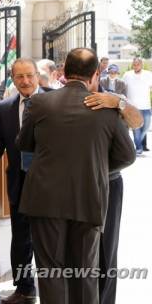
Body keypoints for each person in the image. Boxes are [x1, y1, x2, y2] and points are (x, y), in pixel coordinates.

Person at [18, 48, 136, 304]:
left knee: (50, 272)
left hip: (45, 200)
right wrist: (93, 167)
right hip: (88, 199)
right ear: (95, 75)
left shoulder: (39, 103)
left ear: (64, 72)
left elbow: (24, 143)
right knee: (85, 273)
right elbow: (128, 155)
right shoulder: (106, 109)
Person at [84, 90, 143, 304]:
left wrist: (119, 103)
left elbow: (137, 122)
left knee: (106, 248)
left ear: (95, 75)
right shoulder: (66, 97)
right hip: (75, 184)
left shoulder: (114, 99)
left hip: (109, 181)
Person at [0, 58, 41, 304]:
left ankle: (54, 290)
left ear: (38, 76)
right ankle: (25, 289)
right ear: (13, 79)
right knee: (21, 240)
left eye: (30, 75)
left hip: (49, 184)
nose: (25, 81)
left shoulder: (54, 102)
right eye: (20, 76)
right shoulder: (4, 108)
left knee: (49, 240)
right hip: (18, 183)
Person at [122, 57, 152, 155]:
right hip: (133, 108)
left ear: (141, 65)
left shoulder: (148, 74)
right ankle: (138, 148)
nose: (135, 66)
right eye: (134, 64)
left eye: (137, 64)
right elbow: (123, 88)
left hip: (146, 106)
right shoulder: (127, 75)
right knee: (136, 129)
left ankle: (139, 144)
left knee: (146, 128)